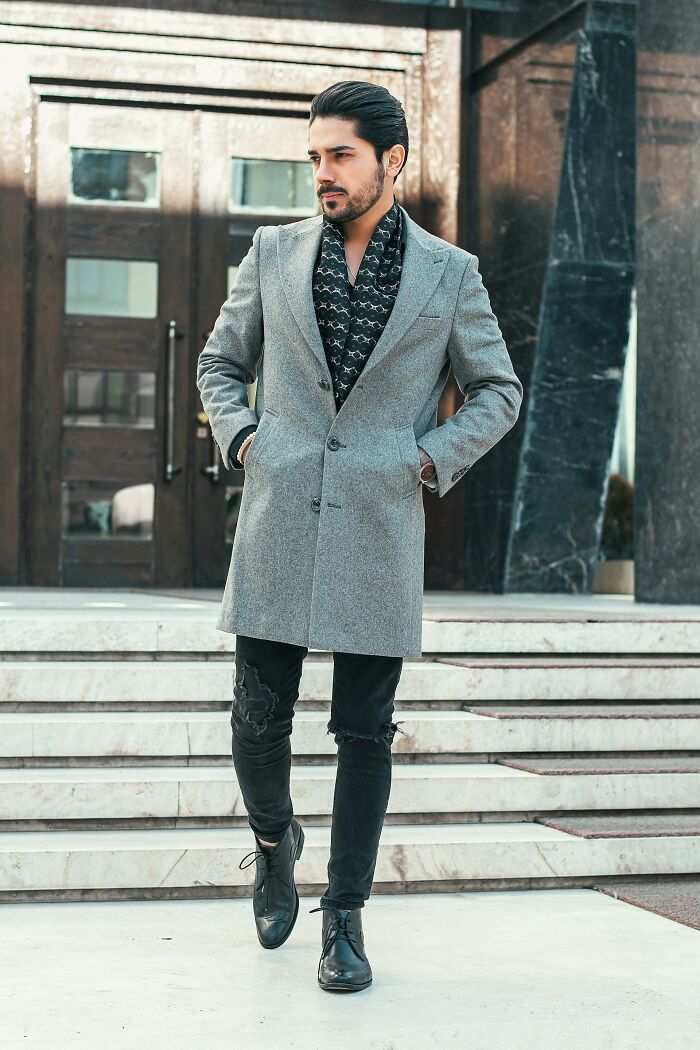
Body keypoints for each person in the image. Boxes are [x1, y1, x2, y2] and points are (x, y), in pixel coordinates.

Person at [196, 80, 523, 993]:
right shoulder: (272, 251)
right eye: (314, 157)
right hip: (279, 515)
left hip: (381, 521)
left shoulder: (449, 275)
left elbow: (498, 390)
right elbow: (220, 363)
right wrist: (248, 437)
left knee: (364, 733)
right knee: (256, 721)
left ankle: (344, 919)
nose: (322, 175)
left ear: (393, 161)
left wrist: (424, 462)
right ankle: (272, 840)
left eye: (339, 155)